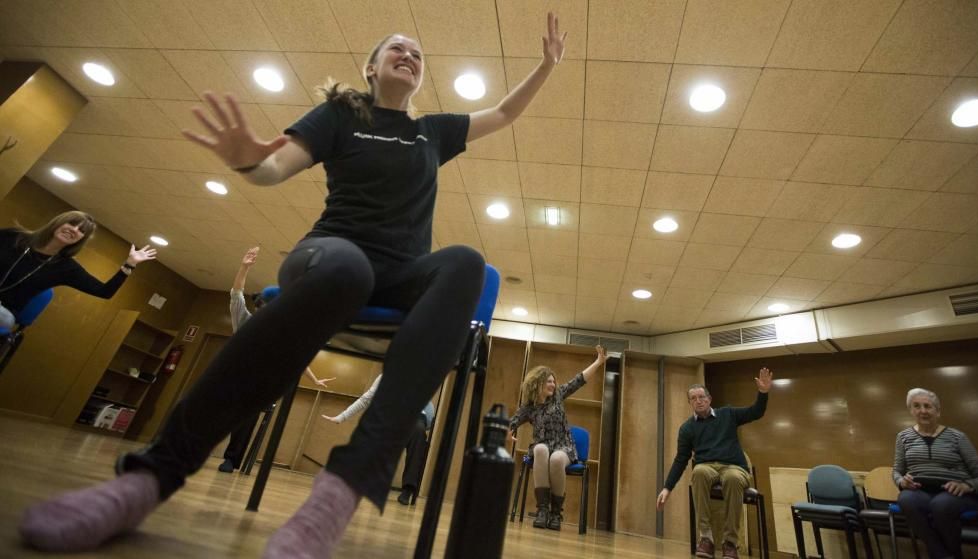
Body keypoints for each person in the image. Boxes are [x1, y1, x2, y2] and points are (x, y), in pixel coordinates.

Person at [19, 12, 568, 557]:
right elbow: (273, 166)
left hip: (402, 272)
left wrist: (546, 66)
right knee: (346, 271)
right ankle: (149, 477)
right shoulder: (340, 114)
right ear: (371, 68)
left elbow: (502, 112)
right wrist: (244, 162)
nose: (408, 55)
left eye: (417, 54)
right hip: (331, 254)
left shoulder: (432, 132)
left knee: (467, 262)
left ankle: (340, 493)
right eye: (395, 48)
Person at [217, 246, 333, 473]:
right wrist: (244, 267)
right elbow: (236, 294)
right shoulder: (244, 321)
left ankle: (231, 458)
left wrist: (315, 379)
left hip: (263, 383)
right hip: (237, 377)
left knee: (247, 413)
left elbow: (297, 358)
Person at [656, 368, 773, 559]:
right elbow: (681, 459)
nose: (698, 400)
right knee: (699, 472)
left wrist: (763, 392)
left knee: (733, 478)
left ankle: (730, 543)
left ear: (709, 399)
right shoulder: (687, 428)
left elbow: (756, 412)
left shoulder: (727, 414)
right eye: (693, 398)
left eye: (701, 396)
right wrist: (667, 488)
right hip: (707, 467)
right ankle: (706, 538)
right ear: (690, 403)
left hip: (734, 467)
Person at [0, 211, 156, 330]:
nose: (74, 230)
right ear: (58, 223)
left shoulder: (66, 268)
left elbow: (104, 291)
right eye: (72, 223)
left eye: (81, 230)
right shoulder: (14, 237)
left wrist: (129, 265)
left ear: (81, 239)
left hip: (5, 310)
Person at [508, 345, 607, 531]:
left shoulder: (559, 395)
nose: (553, 385)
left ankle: (555, 513)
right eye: (549, 382)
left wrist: (598, 362)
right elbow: (512, 422)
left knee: (555, 459)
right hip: (542, 446)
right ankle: (542, 510)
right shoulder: (529, 407)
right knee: (539, 449)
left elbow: (580, 379)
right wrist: (508, 431)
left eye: (554, 381)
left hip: (564, 447)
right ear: (537, 384)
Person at [894, 388, 978, 559]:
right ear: (911, 411)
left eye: (928, 406)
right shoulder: (903, 437)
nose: (922, 411)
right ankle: (945, 556)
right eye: (916, 406)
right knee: (905, 499)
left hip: (956, 494)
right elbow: (897, 471)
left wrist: (966, 486)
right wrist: (902, 481)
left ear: (938, 411)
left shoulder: (957, 437)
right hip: (920, 492)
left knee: (941, 505)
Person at [321, 373, 434, 505]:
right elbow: (365, 399)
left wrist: (427, 422)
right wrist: (342, 417)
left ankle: (408, 488)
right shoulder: (385, 376)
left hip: (414, 416)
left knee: (418, 432)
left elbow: (428, 408)